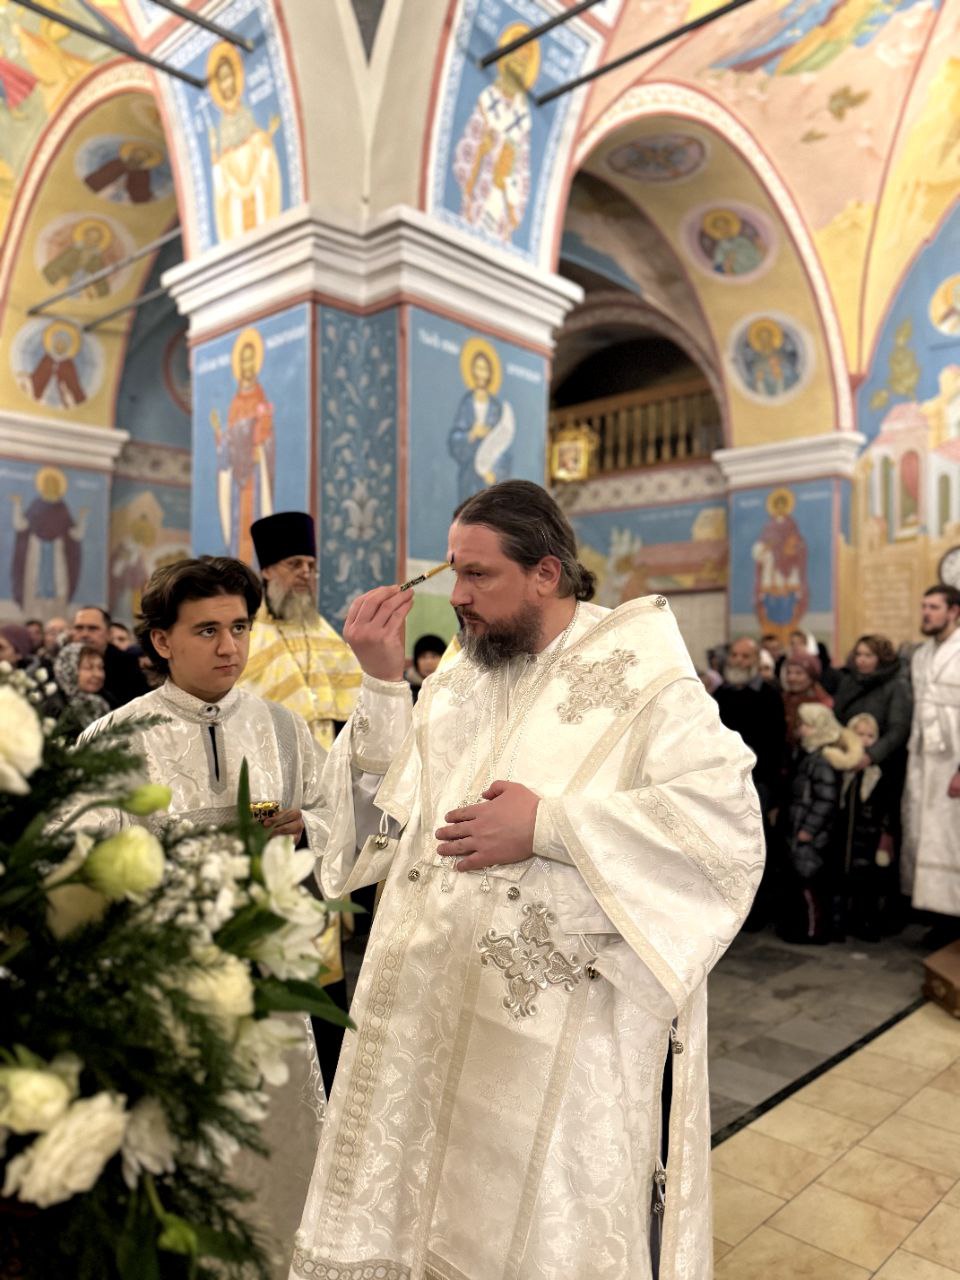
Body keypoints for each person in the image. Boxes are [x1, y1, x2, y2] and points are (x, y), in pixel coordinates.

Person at [291, 480, 763, 1280]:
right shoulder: (457, 681)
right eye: (454, 573)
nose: (457, 597)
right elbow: (373, 826)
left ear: (546, 572)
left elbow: (726, 832)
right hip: (426, 1016)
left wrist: (547, 826)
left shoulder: (643, 678)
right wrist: (379, 683)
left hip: (554, 1045)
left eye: (478, 575)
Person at [79, 556, 331, 1266]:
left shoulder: (283, 729)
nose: (229, 647)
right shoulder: (114, 739)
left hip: (266, 984)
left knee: (275, 1156)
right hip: (164, 989)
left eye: (240, 628)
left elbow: (342, 817)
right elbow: (80, 871)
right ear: (162, 641)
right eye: (207, 630)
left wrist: (307, 827)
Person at [239, 512, 362, 1080]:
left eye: (311, 565)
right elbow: (242, 743)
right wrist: (263, 816)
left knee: (324, 934)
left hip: (319, 810)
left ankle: (329, 1075)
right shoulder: (249, 642)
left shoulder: (327, 637)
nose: (307, 574)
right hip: (268, 817)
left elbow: (354, 726)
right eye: (295, 564)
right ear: (268, 572)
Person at [902, 585, 960, 926]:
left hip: (953, 759)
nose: (926, 612)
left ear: (953, 611)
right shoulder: (921, 655)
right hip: (923, 758)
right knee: (927, 835)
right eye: (924, 606)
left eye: (934, 607)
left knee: (953, 836)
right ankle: (938, 916)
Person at [780, 703, 861, 944]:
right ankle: (800, 927)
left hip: (811, 832)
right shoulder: (808, 754)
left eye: (806, 725)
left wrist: (809, 829)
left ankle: (812, 930)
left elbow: (825, 799)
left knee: (808, 881)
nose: (801, 729)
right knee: (800, 878)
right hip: (800, 825)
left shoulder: (822, 759)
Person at [71, 604, 148, 709]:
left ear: (108, 633)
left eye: (93, 628)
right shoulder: (60, 662)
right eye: (79, 628)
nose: (84, 634)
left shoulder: (126, 665)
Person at [47, 641, 110, 741]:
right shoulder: (56, 709)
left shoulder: (101, 702)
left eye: (100, 668)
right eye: (88, 668)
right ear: (69, 669)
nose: (98, 674)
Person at [781, 651, 833, 746]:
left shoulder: (823, 702)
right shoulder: (782, 699)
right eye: (789, 672)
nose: (791, 678)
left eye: (798, 673)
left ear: (811, 677)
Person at [408, 632, 445, 703]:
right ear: (416, 661)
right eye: (423, 656)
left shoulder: (450, 689)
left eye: (434, 656)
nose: (428, 662)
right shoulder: (406, 690)